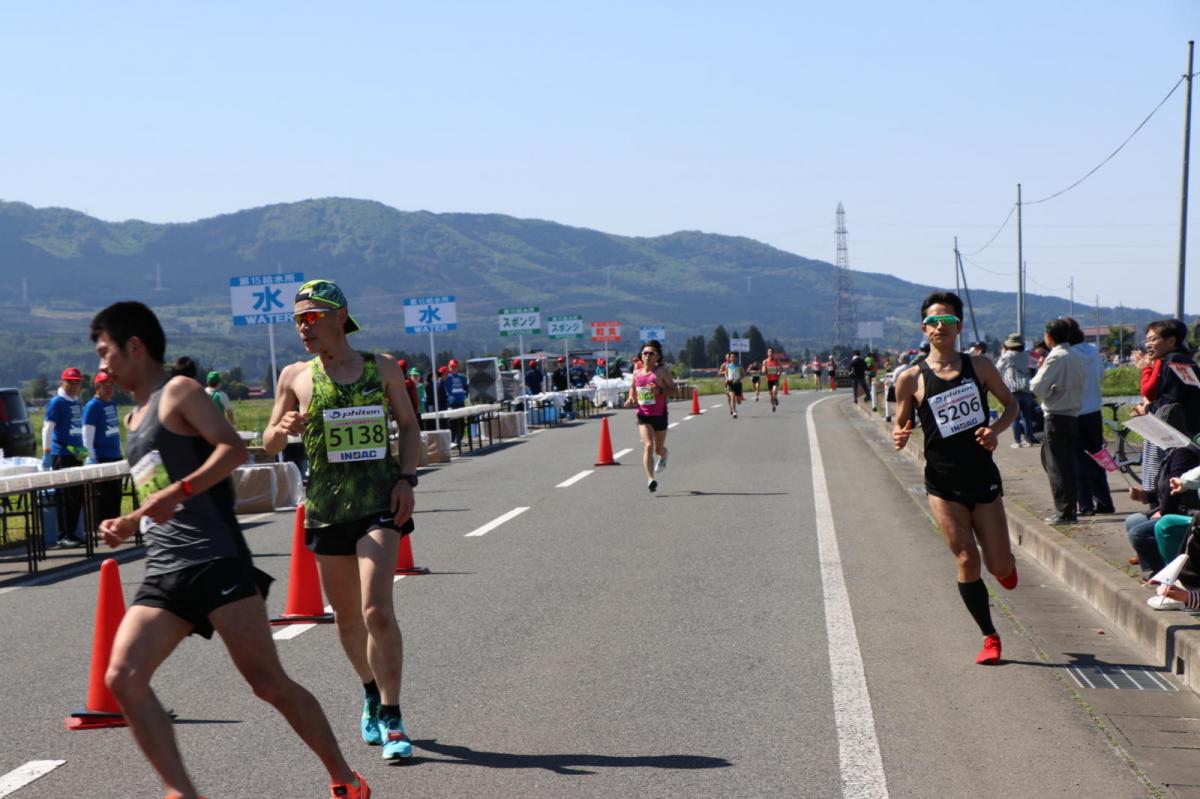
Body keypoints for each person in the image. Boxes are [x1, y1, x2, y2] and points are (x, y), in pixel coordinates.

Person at [90, 301, 370, 799]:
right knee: (122, 677)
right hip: (165, 568)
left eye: (106, 351)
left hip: (216, 560)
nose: (102, 364)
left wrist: (178, 492)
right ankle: (182, 792)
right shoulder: (132, 419)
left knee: (267, 683)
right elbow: (158, 493)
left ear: (135, 347)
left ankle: (345, 779)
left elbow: (233, 450)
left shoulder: (180, 392)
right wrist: (128, 521)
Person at [264, 280, 421, 762]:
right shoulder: (295, 375)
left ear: (340, 316)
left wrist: (407, 479)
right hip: (328, 509)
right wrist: (282, 429)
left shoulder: (381, 367)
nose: (303, 327)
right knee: (348, 618)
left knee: (377, 611)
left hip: (378, 502)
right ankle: (371, 690)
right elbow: (268, 443)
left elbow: (408, 425)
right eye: (297, 320)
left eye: (312, 317)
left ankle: (393, 718)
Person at [892, 291, 1019, 665]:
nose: (939, 327)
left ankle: (1005, 567)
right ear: (923, 328)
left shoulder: (979, 366)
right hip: (942, 482)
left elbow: (1011, 405)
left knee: (999, 567)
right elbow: (901, 422)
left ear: (959, 326)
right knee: (966, 558)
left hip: (982, 477)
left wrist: (995, 430)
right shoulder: (911, 377)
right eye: (932, 321)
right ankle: (989, 636)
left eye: (946, 320)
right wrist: (900, 434)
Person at [1030, 319, 1085, 524]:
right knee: (1068, 465)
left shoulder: (1055, 357)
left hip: (1056, 415)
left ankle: (1064, 512)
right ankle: (1069, 510)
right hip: (1073, 415)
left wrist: (1047, 386)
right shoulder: (1075, 355)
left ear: (1049, 336)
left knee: (1057, 467)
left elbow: (1036, 387)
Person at [1066, 318, 1114, 516]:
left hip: (1073, 412)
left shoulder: (1067, 354)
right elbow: (1101, 374)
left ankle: (1085, 505)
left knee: (1077, 461)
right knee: (1097, 457)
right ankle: (1105, 502)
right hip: (1094, 411)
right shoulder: (1092, 350)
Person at [43, 366, 87, 547]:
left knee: (77, 496)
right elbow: (47, 428)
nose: (74, 386)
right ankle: (64, 535)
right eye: (70, 382)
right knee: (65, 496)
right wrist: (47, 452)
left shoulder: (76, 402)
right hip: (61, 453)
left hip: (75, 453)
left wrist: (83, 450)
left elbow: (77, 428)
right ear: (62, 382)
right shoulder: (57, 402)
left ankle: (73, 532)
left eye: (77, 383)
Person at [625, 339, 675, 493]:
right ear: (641, 356)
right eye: (644, 353)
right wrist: (630, 398)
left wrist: (659, 391)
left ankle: (664, 454)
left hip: (660, 414)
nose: (647, 355)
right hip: (643, 415)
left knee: (658, 450)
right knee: (648, 445)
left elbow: (674, 390)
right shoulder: (637, 372)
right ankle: (650, 479)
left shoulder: (661, 372)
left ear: (657, 356)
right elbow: (633, 387)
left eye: (651, 353)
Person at [82, 370, 124, 528]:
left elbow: (114, 430)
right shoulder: (93, 406)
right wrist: (91, 457)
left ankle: (115, 525)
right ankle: (101, 527)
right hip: (101, 457)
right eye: (105, 386)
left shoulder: (112, 404)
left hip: (115, 456)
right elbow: (87, 434)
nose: (109, 389)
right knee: (103, 497)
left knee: (116, 495)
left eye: (111, 385)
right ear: (97, 387)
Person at [996, 334, 1039, 448]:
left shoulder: (1007, 356)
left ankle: (1017, 441)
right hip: (1026, 388)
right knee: (1027, 416)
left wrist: (1003, 354)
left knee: (1015, 416)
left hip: (1013, 389)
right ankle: (1029, 439)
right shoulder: (1025, 355)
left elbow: (997, 369)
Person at [442, 359, 469, 443]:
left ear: (458, 367)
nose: (453, 368)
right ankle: (452, 441)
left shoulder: (462, 377)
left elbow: (466, 388)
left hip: (461, 403)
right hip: (451, 404)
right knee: (452, 424)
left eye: (455, 367)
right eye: (451, 367)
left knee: (462, 423)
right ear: (449, 367)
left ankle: (459, 440)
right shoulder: (446, 377)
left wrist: (465, 395)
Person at [722, 353, 743, 418]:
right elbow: (726, 374)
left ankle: (739, 399)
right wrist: (727, 379)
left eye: (733, 357)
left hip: (738, 383)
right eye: (731, 357)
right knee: (732, 397)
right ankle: (734, 412)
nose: (732, 358)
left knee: (738, 399)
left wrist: (739, 379)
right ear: (730, 358)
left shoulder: (739, 366)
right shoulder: (728, 366)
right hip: (730, 383)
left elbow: (743, 374)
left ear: (736, 358)